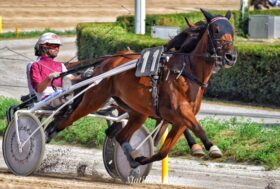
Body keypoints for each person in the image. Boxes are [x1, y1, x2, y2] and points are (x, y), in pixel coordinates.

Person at [29, 32, 77, 108]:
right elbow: (39, 89)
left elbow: (72, 78)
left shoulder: (60, 65)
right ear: (44, 47)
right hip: (46, 100)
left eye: (58, 46)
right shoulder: (35, 65)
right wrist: (49, 77)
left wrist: (86, 75)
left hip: (61, 96)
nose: (57, 49)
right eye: (54, 46)